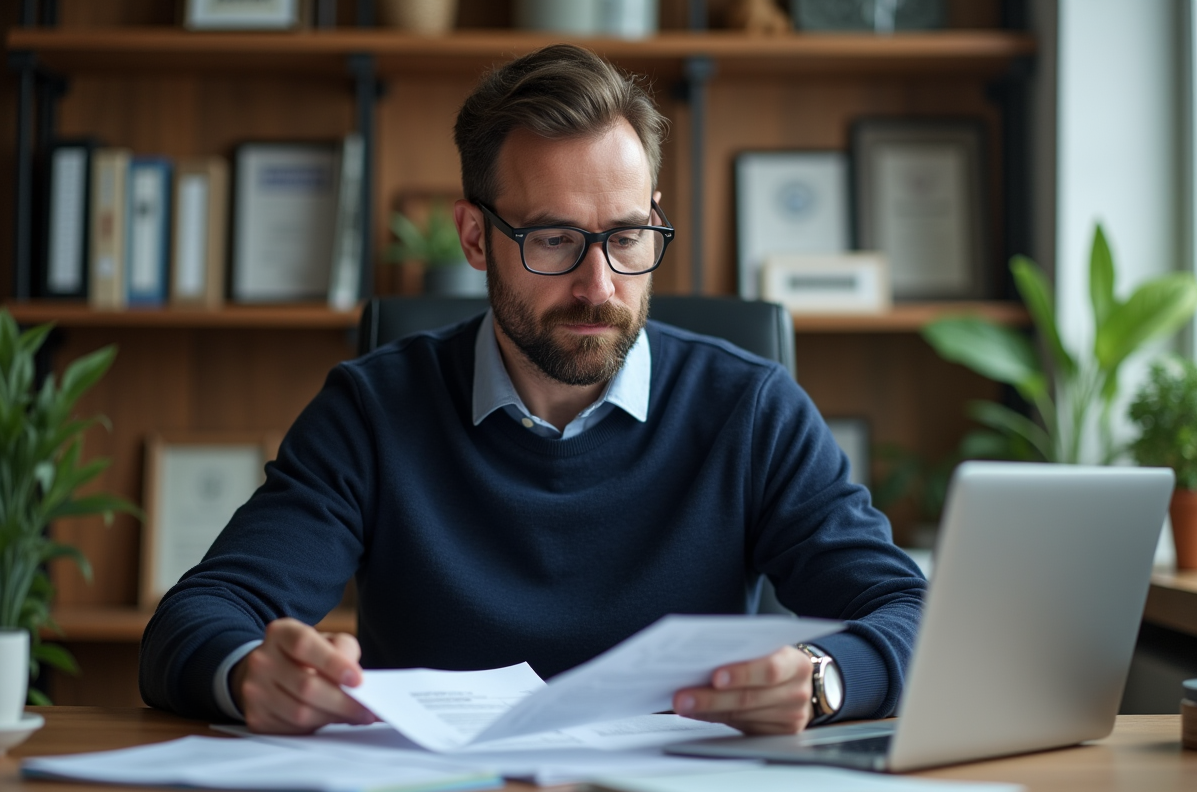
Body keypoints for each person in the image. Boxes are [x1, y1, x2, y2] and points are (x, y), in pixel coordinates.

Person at [140, 44, 926, 737]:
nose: (600, 286)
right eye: (554, 239)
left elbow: (914, 614)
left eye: (627, 237)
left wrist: (825, 678)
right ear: (475, 237)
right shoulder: (374, 410)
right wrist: (251, 675)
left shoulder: (751, 410)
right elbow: (196, 617)